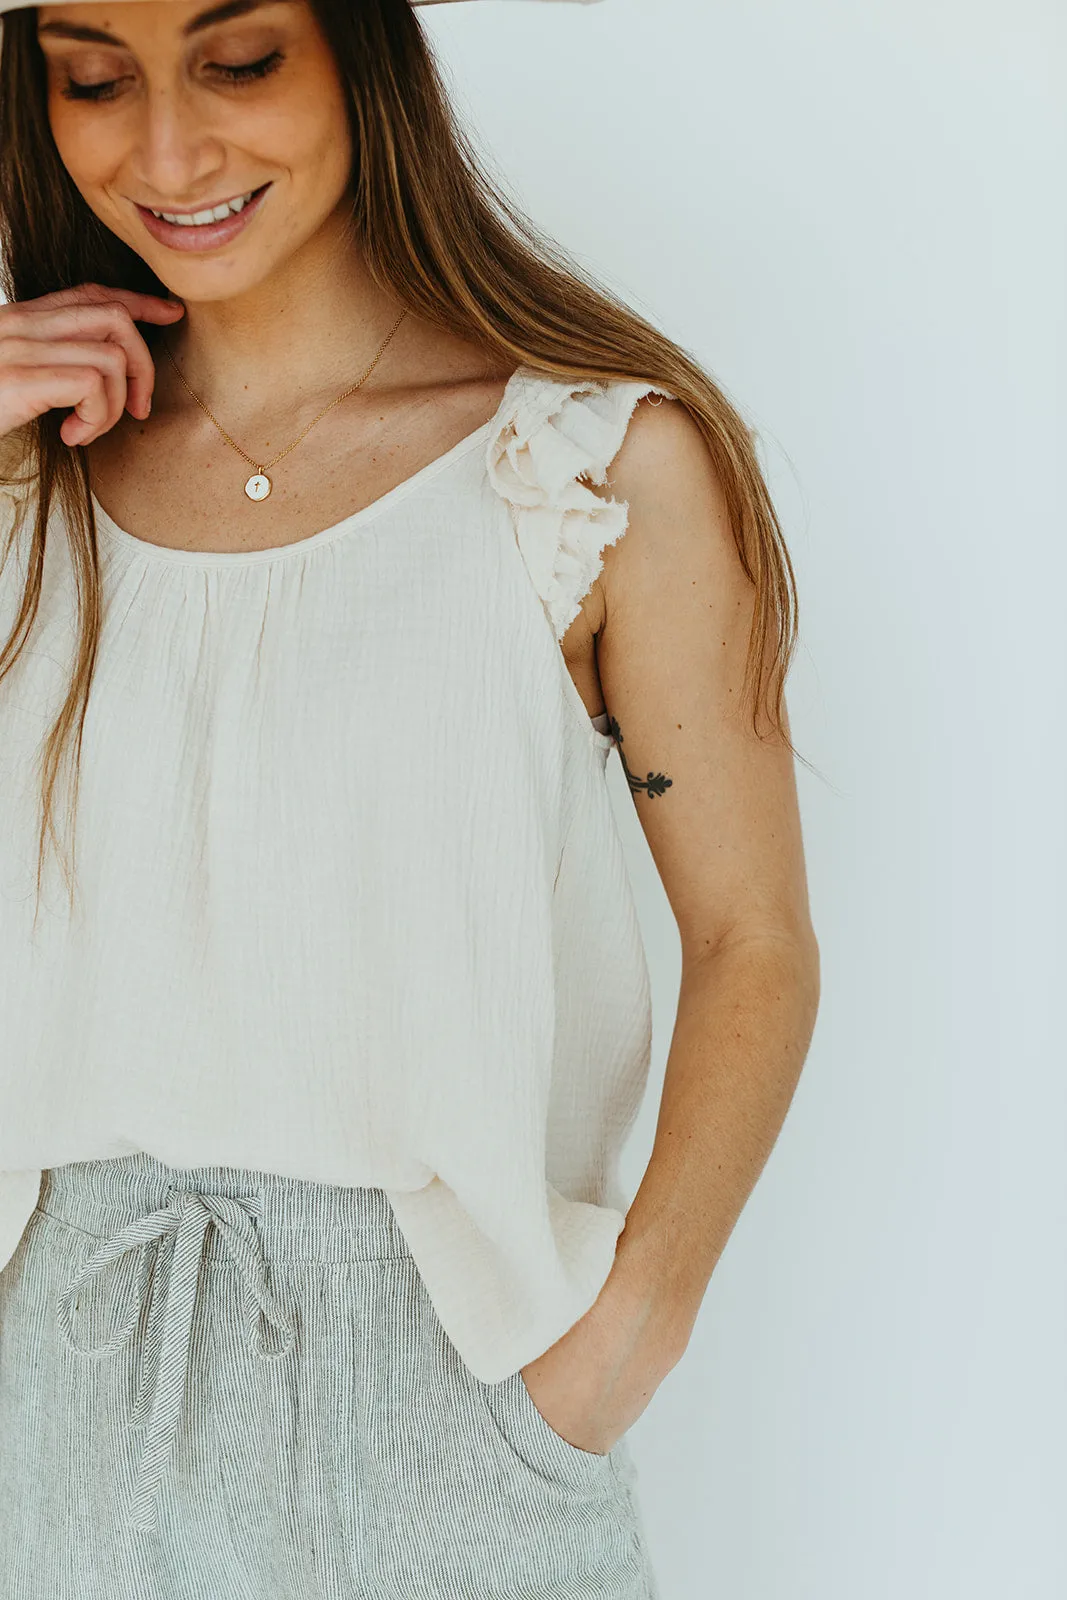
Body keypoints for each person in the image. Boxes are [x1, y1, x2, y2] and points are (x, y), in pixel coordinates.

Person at [0, 0, 821, 1593]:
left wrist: (610, 1354)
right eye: (94, 79)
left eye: (239, 61)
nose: (168, 148)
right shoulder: (28, 481)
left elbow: (752, 937)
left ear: (364, 54)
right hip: (53, 1391)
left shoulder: (584, 469)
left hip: (451, 1393)